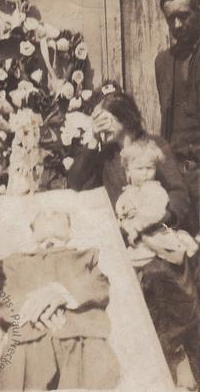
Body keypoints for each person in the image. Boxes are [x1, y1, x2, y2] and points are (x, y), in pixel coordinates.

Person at [68, 88, 200, 385]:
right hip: (124, 241)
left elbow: (179, 194)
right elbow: (74, 183)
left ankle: (177, 359)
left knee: (159, 275)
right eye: (98, 118)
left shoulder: (153, 145)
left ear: (124, 118)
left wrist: (157, 220)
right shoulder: (105, 156)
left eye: (108, 117)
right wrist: (92, 140)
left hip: (159, 232)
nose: (102, 123)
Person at [0, 210, 120, 391]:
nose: (49, 214)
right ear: (33, 232)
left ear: (70, 231)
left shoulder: (88, 255)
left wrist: (63, 293)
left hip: (82, 337)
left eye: (56, 214)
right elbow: (4, 299)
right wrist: (35, 303)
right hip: (27, 340)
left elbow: (99, 283)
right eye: (41, 214)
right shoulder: (12, 262)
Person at [156, 0, 200, 236]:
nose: (177, 25)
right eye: (171, 18)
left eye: (184, 15)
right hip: (176, 176)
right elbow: (167, 119)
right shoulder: (162, 62)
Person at [116, 137, 198, 267]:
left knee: (155, 259)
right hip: (137, 237)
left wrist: (136, 228)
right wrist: (123, 215)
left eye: (150, 168)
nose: (145, 173)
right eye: (139, 168)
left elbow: (156, 213)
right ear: (128, 171)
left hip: (155, 233)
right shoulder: (128, 192)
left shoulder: (155, 190)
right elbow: (121, 210)